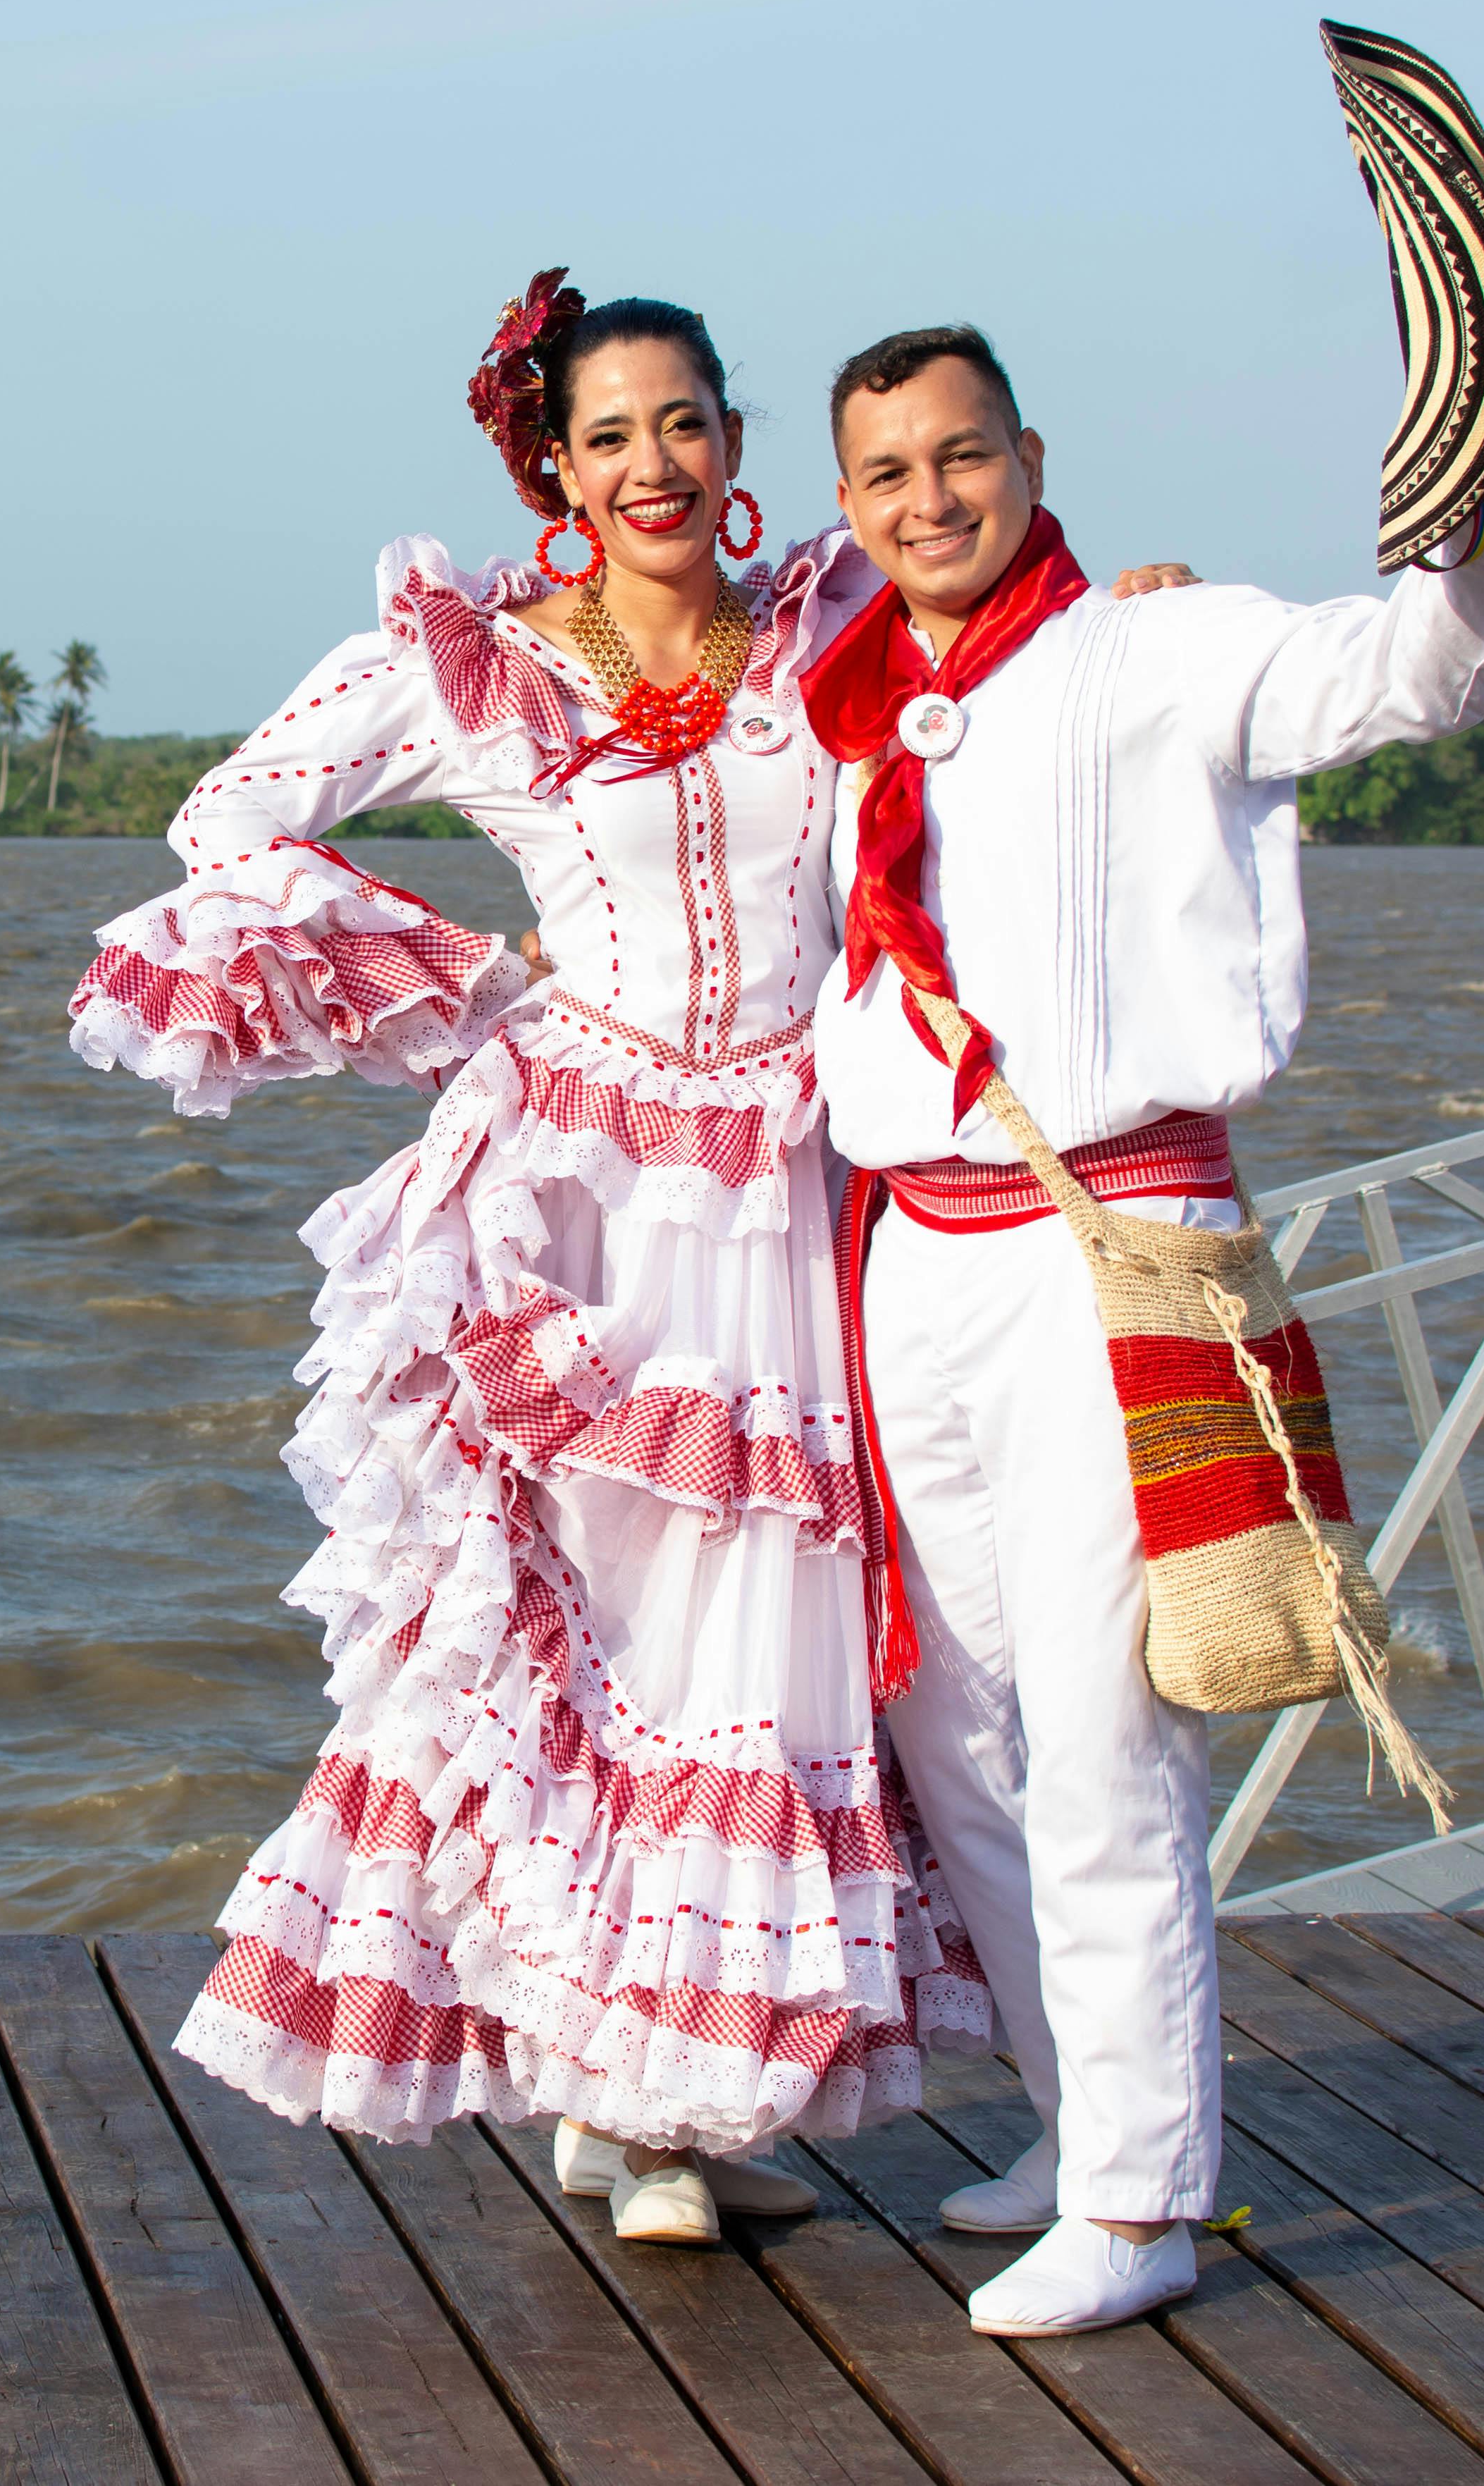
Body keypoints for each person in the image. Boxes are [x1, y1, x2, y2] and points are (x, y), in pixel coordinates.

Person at [66, 271, 982, 2245]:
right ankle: (625, 2105)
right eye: (610, 434)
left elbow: (1020, 658)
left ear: (732, 445)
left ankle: (654, 2085)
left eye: (684, 422)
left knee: (765, 1638)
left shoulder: (830, 615)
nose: (652, 464)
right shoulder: (478, 658)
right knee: (590, 1644)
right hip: (571, 1198)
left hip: (794, 1179)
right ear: (550, 466)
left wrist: (1140, 591)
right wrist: (475, 972)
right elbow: (226, 816)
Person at [803, 322, 1484, 2334]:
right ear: (847, 504)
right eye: (886, 475)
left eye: (960, 458)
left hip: (1101, 1242)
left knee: (1100, 1720)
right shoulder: (854, 697)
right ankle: (1071, 2121)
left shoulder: (1157, 647)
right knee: (949, 1723)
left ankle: (1142, 2197)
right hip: (914, 1253)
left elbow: (1419, 672)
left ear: (1028, 460)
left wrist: (1473, 521)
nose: (928, 501)